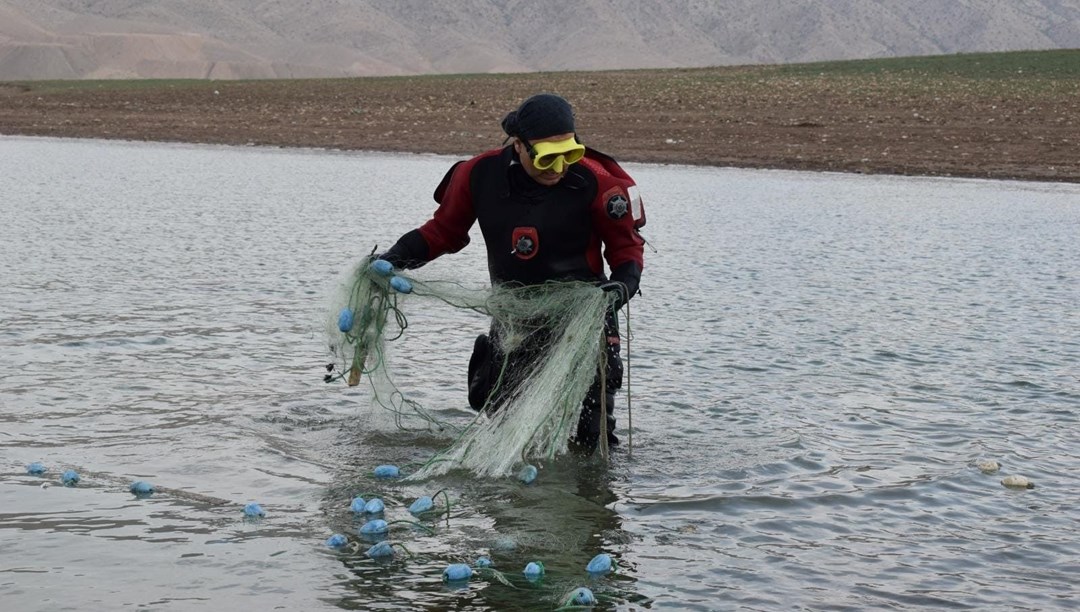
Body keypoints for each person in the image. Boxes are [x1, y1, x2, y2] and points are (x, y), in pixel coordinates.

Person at [376, 93, 646, 451]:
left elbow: (625, 248)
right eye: (547, 159)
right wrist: (393, 260)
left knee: (593, 439)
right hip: (516, 317)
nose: (559, 169)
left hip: (586, 318)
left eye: (568, 155)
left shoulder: (598, 182)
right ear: (519, 144)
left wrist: (621, 287)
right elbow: (443, 233)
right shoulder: (478, 175)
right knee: (506, 430)